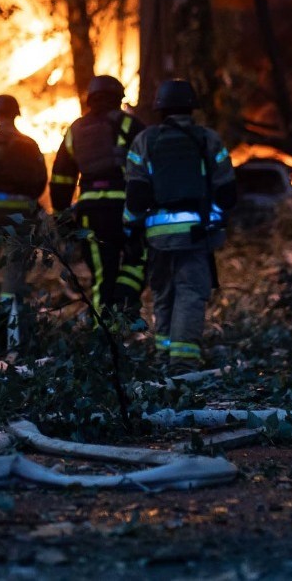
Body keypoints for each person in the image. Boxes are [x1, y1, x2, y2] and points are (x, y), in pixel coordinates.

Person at [124, 79, 235, 372]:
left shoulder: (144, 141)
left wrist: (130, 230)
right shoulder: (207, 139)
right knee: (190, 292)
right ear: (191, 107)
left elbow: (135, 195)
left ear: (159, 108)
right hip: (195, 234)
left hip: (157, 236)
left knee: (163, 294)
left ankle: (163, 356)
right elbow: (227, 192)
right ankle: (183, 361)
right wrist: (216, 220)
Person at [49, 75, 145, 313]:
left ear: (90, 99)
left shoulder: (76, 130)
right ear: (118, 98)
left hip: (91, 214)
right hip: (127, 211)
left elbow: (61, 177)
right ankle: (122, 302)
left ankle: (102, 329)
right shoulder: (131, 125)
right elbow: (148, 169)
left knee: (103, 275)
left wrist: (62, 216)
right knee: (139, 259)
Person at [0, 95, 47, 318]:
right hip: (21, 212)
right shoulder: (30, 144)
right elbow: (41, 179)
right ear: (16, 115)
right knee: (16, 262)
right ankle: (9, 315)